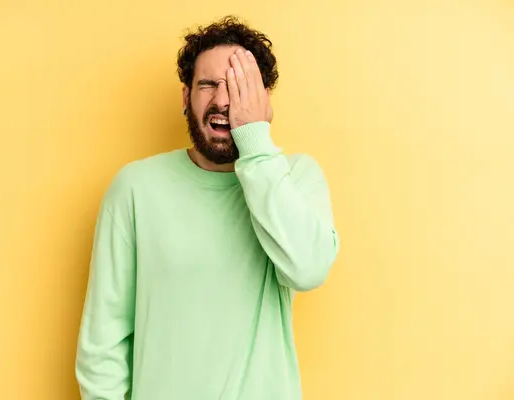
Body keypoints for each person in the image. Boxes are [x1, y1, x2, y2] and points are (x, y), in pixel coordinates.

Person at [75, 15, 339, 400]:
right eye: (208, 85)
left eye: (238, 87)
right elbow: (103, 345)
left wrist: (254, 140)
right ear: (186, 97)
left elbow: (309, 268)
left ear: (261, 100)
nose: (222, 100)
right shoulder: (135, 189)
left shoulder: (293, 178)